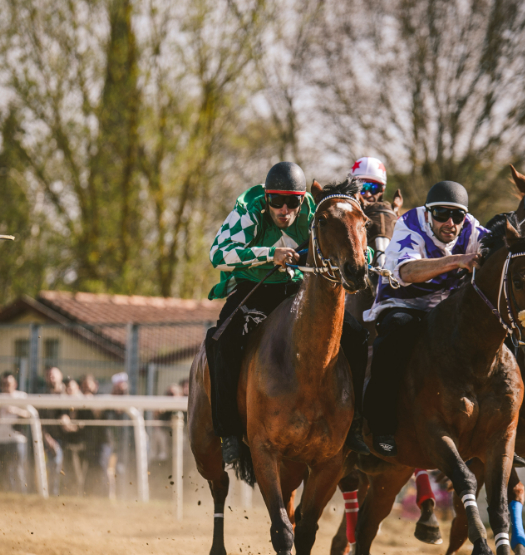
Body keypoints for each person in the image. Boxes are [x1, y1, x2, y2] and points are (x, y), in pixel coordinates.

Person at [205, 161, 370, 464]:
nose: (283, 209)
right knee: (221, 340)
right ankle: (228, 431)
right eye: (276, 201)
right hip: (255, 287)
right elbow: (218, 253)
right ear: (265, 198)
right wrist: (270, 254)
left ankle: (356, 425)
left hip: (298, 290)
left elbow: (354, 243)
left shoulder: (315, 211)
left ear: (302, 199)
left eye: (292, 201)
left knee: (358, 337)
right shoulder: (250, 209)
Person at [362, 180, 485, 456]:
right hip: (401, 302)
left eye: (457, 215)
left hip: (446, 308)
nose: (450, 222)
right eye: (441, 214)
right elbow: (406, 273)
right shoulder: (409, 224)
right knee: (396, 333)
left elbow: (500, 249)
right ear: (428, 214)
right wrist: (457, 260)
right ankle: (380, 426)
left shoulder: (471, 227)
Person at [0, 372, 30, 493]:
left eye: (8, 384)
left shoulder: (21, 396)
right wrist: (0, 406)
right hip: (1, 439)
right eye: (3, 384)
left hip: (17, 439)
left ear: (15, 384)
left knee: (18, 469)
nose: (6, 386)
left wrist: (15, 410)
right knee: (1, 469)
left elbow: (29, 414)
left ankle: (21, 495)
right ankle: (4, 494)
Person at [40, 366, 67, 496]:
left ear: (61, 376)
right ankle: (53, 495)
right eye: (48, 375)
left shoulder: (69, 393)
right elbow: (40, 421)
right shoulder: (43, 396)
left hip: (71, 440)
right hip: (51, 439)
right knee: (53, 467)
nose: (51, 377)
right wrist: (47, 438)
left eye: (54, 374)